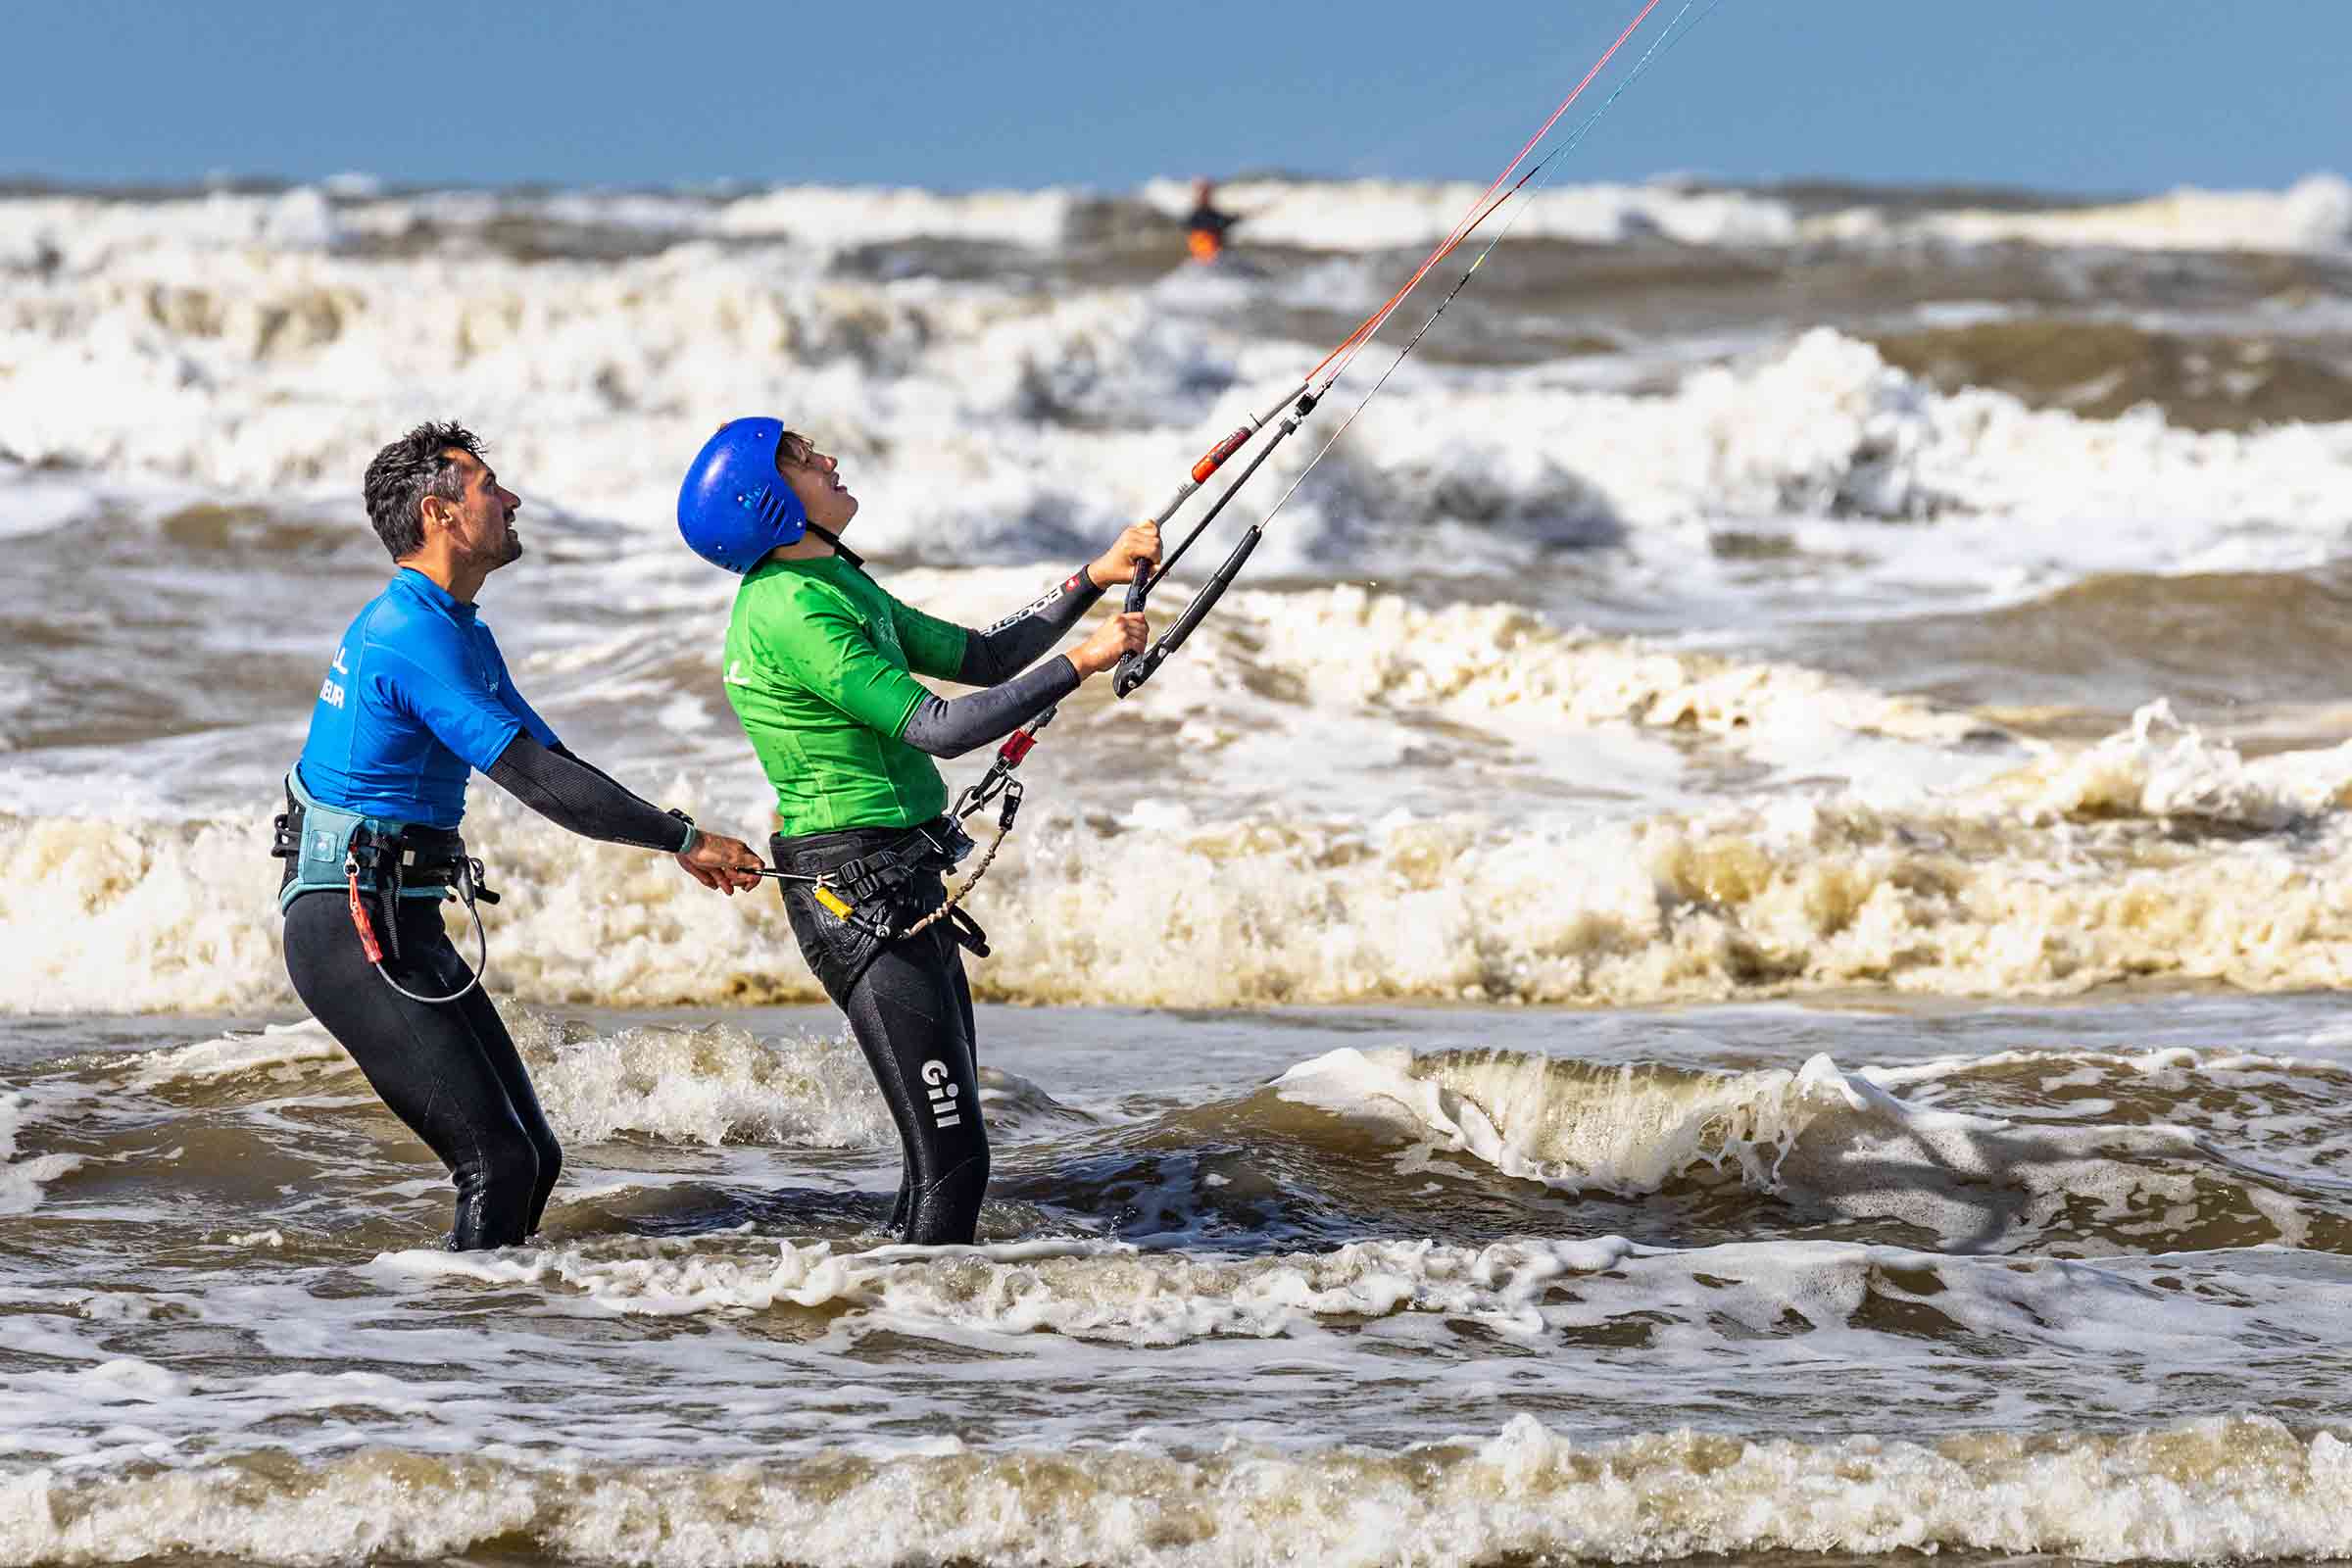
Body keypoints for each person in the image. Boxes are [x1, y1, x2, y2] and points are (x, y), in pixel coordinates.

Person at [276, 421, 765, 1250]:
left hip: (399, 918)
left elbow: (554, 761)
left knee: (535, 1158)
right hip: (349, 926)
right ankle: (449, 1319)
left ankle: (497, 1314)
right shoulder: (410, 634)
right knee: (495, 1162)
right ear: (439, 513)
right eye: (488, 487)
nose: (510, 499)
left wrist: (679, 839)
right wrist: (683, 839)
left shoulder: (455, 627)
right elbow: (538, 784)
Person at [676, 418, 1157, 1246]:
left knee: (941, 1159)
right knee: (955, 1163)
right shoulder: (791, 611)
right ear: (770, 504)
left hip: (900, 877)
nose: (829, 459)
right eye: (803, 459)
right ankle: (909, 1317)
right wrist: (1082, 662)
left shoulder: (831, 581)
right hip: (855, 892)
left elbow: (981, 658)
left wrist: (1094, 578)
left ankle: (888, 1305)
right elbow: (939, 727)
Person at [1184, 176, 1242, 265]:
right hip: (1208, 255)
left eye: (1207, 192)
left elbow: (1223, 221)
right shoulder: (1197, 216)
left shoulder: (1210, 213)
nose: (1206, 195)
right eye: (1203, 192)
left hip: (1216, 254)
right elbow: (1216, 223)